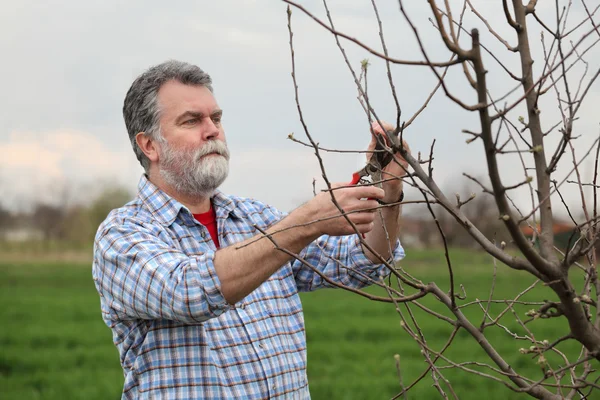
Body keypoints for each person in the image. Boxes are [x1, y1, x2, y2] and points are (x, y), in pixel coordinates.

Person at [92, 60, 408, 400]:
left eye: (216, 118)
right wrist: (307, 221)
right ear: (149, 145)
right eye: (192, 120)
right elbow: (189, 292)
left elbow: (363, 263)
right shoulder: (121, 235)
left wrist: (389, 192)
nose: (212, 130)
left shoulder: (255, 217)